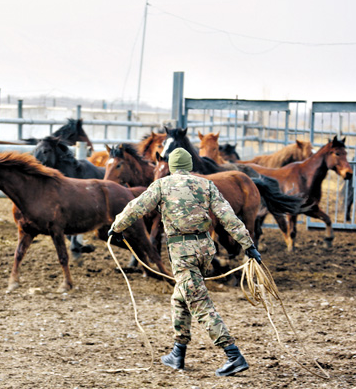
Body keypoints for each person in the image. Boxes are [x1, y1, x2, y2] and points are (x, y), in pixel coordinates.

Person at [108, 147, 262, 377]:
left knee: (198, 301)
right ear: (189, 166)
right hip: (204, 249)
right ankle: (178, 352)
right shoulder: (206, 185)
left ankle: (233, 355)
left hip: (182, 251)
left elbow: (135, 207)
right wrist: (248, 245)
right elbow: (228, 216)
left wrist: (116, 227)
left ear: (171, 167)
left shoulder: (162, 185)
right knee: (181, 297)